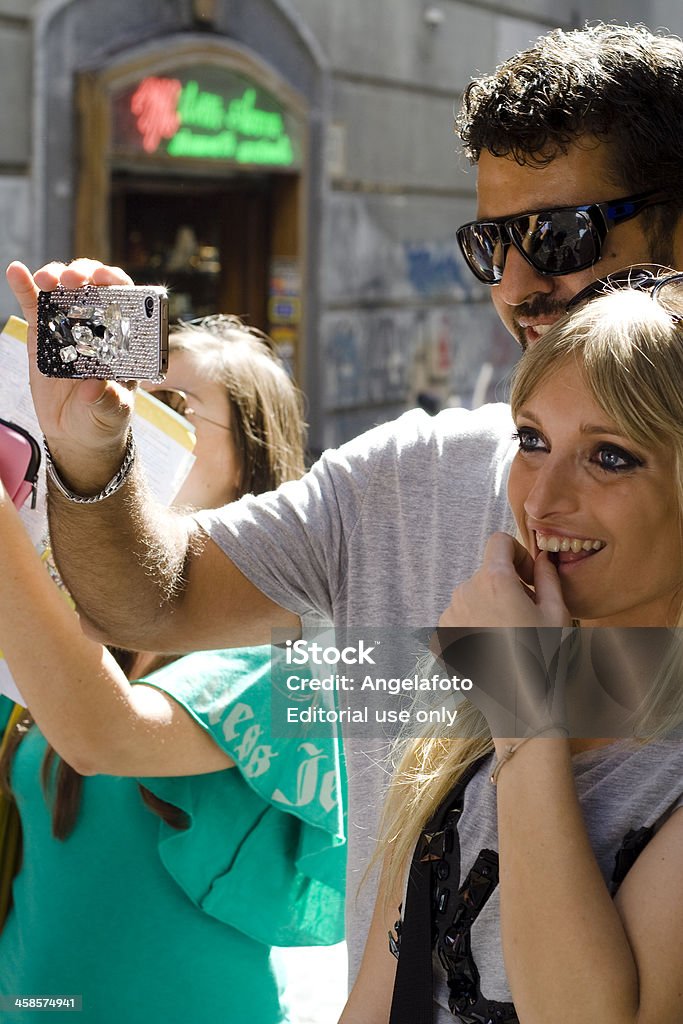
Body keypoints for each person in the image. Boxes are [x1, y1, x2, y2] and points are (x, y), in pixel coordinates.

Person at [7, 21, 683, 984]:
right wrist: (87, 451)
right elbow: (148, 604)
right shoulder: (409, 475)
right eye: (492, 244)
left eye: (558, 235)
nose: (522, 285)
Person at [341, 272, 683, 1023]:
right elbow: (375, 1000)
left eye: (610, 456)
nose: (538, 501)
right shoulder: (476, 697)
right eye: (532, 439)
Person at [0, 317, 345, 1024]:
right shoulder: (78, 616)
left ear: (250, 465)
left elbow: (100, 733)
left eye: (175, 407)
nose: (130, 419)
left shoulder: (282, 647)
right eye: (132, 394)